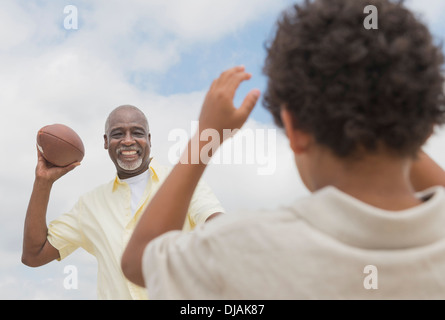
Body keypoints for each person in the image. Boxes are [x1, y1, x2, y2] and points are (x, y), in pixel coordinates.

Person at [121, 0, 445, 299]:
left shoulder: (244, 246)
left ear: (294, 129)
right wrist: (394, 114)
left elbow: (140, 259)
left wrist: (207, 135)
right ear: (427, 123)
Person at [22, 105, 224, 299]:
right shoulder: (90, 204)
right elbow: (34, 255)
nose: (128, 141)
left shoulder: (182, 182)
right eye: (118, 134)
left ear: (149, 139)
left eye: (137, 132)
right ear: (106, 141)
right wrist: (43, 182)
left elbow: (216, 223)